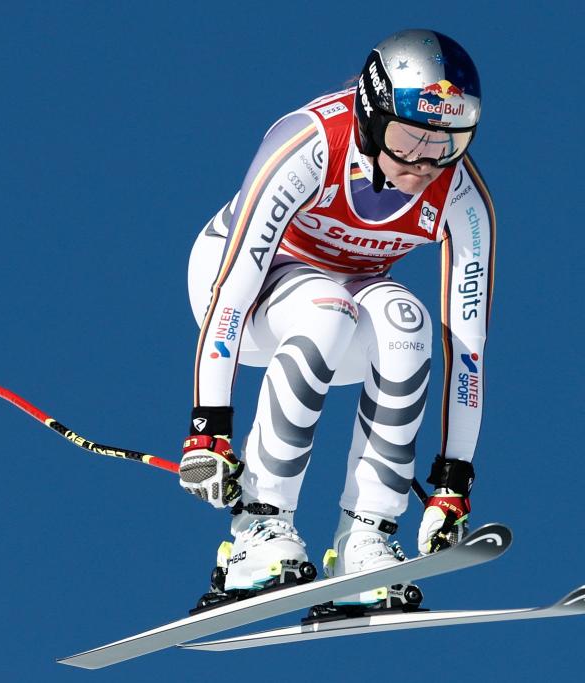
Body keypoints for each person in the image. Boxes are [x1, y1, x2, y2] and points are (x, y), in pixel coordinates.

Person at [179, 29, 494, 607]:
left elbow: (467, 348)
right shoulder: (310, 143)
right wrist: (209, 430)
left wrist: (453, 482)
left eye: (447, 144)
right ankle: (259, 529)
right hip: (242, 293)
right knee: (327, 308)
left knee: (407, 319)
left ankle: (366, 539)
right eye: (408, 139)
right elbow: (231, 291)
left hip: (345, 303)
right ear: (373, 118)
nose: (424, 163)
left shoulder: (461, 197)